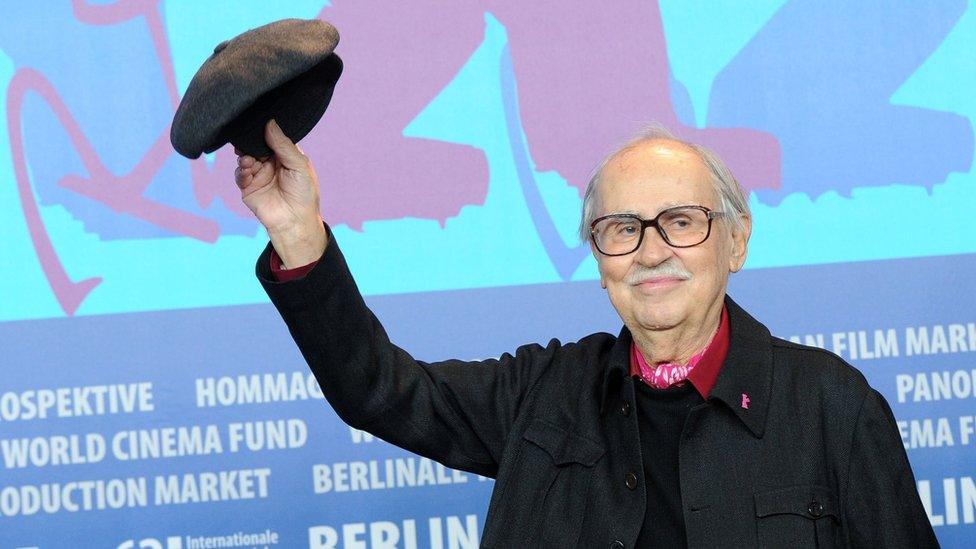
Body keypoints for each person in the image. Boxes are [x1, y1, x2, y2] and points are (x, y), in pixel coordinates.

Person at [236, 119, 939, 548]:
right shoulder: (540, 395)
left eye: (682, 221)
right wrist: (299, 236)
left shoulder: (830, 407)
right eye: (622, 228)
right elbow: (376, 390)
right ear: (600, 259)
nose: (652, 250)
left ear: (736, 241)